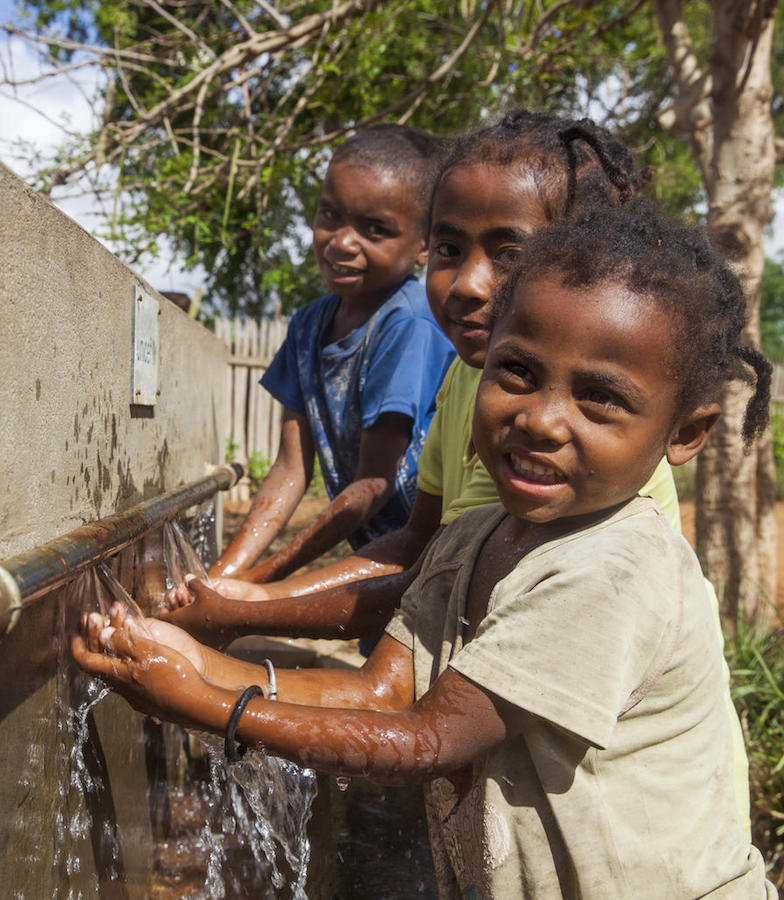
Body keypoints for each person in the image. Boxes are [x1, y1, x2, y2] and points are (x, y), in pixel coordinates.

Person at [74, 203, 776, 897]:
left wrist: (207, 704)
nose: (539, 419)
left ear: (685, 434)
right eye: (519, 373)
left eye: (598, 398)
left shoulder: (612, 572)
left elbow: (428, 741)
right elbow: (379, 693)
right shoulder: (473, 537)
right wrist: (200, 662)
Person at [163, 110, 676, 645]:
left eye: (510, 256)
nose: (469, 285)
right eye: (453, 251)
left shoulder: (522, 401)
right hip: (438, 606)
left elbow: (411, 539)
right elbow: (418, 543)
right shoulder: (464, 374)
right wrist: (235, 585)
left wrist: (250, 600)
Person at [211, 125, 454, 586]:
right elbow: (290, 467)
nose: (341, 242)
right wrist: (224, 575)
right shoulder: (308, 327)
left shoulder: (409, 323)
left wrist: (260, 583)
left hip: (425, 561)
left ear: (423, 245)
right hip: (372, 555)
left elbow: (374, 485)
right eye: (330, 214)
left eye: (375, 229)